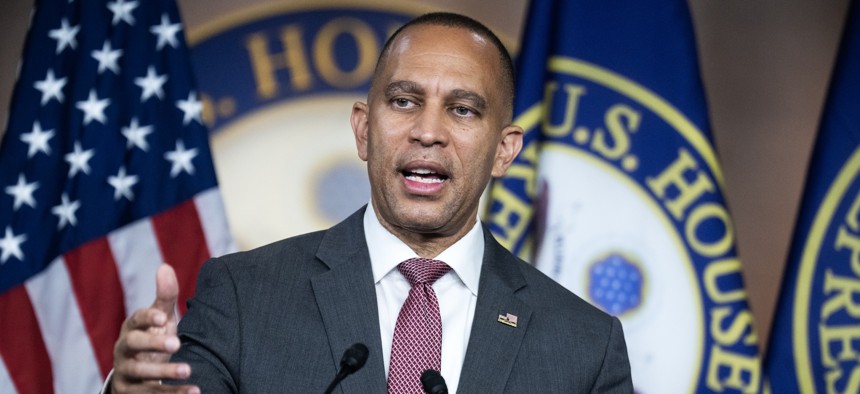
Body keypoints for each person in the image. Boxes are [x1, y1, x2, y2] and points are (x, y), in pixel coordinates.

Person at [109, 12, 633, 393]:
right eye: (403, 101)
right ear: (364, 130)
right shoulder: (244, 298)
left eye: (463, 110)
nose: (428, 132)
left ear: (504, 150)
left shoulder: (584, 345)